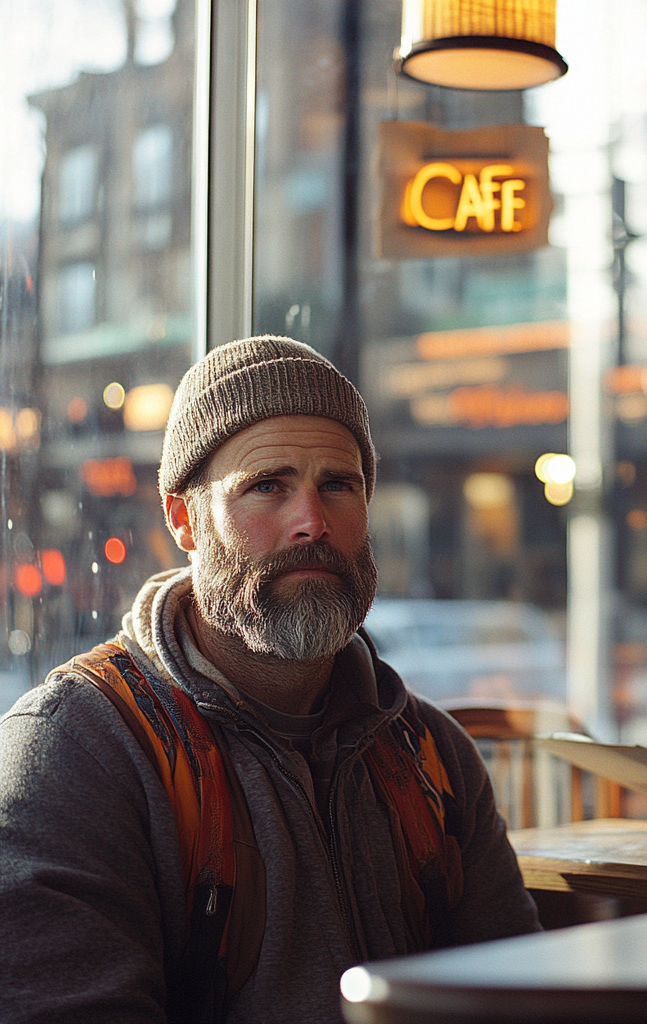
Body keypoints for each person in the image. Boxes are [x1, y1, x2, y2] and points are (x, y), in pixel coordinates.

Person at [0, 336, 540, 1023]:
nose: (311, 523)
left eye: (338, 485)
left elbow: (513, 999)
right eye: (267, 487)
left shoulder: (432, 756)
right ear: (183, 519)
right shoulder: (76, 750)